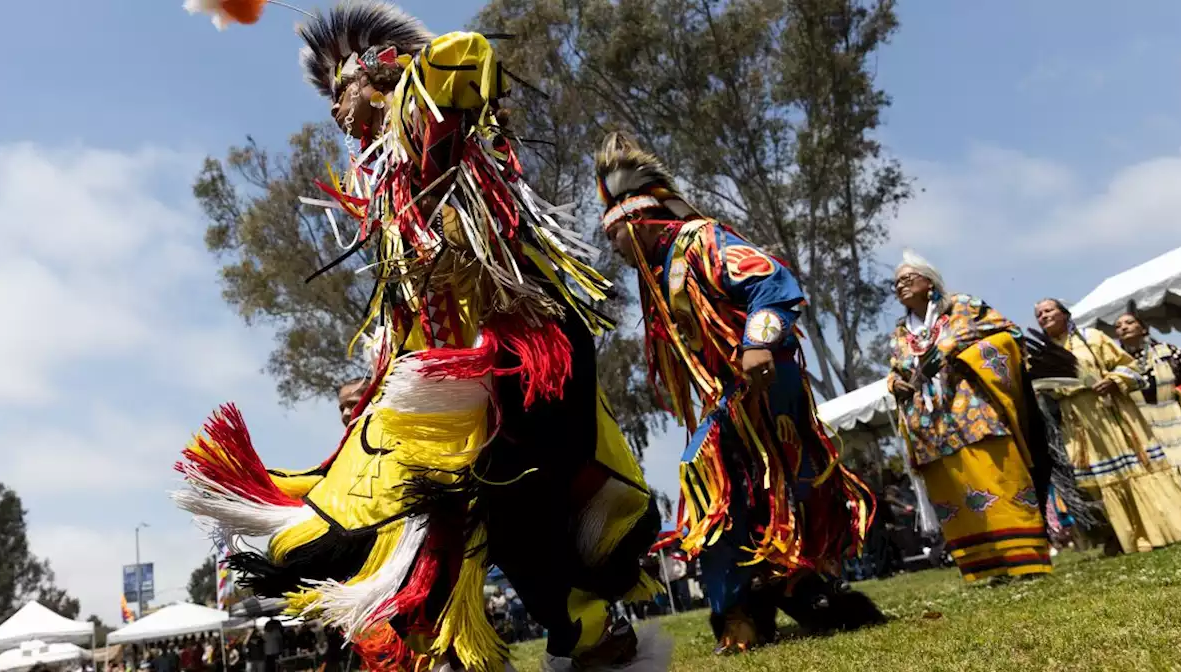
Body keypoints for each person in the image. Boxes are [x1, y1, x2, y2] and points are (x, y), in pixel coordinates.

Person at [173, 2, 663, 671]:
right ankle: (471, 653)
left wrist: (393, 74)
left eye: (339, 94)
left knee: (518, 507)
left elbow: (466, 55)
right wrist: (372, 386)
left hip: (526, 357)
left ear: (380, 75)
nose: (335, 115)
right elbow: (408, 317)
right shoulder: (392, 199)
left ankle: (589, 636)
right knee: (407, 517)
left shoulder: (440, 131)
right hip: (452, 385)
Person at [593, 131, 882, 654]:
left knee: (718, 474)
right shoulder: (658, 276)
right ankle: (785, 594)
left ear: (639, 223)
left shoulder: (699, 240)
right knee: (748, 487)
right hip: (730, 393)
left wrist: (758, 341)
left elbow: (771, 278)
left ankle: (760, 601)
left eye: (614, 235)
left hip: (762, 379)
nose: (613, 248)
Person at [886, 253, 1069, 584]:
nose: (900, 285)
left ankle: (1025, 562)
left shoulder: (962, 307)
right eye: (896, 281)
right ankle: (989, 567)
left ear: (929, 282)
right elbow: (897, 366)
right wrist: (894, 382)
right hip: (930, 426)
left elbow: (1007, 335)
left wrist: (954, 347)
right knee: (957, 495)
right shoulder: (901, 330)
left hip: (972, 412)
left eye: (908, 278)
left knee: (996, 480)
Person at [1031, 298, 1181, 553]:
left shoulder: (1092, 338)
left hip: (1113, 411)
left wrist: (1113, 380)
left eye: (1049, 310)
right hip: (1079, 420)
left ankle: (1170, 527)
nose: (1043, 316)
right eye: (1038, 314)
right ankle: (1127, 539)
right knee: (1102, 479)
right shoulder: (1043, 353)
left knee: (1138, 467)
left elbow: (1130, 367)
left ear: (1065, 313)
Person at [1114, 309, 1181, 529]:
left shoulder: (1168, 352)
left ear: (1143, 328)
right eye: (1118, 326)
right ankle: (1179, 521)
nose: (1123, 327)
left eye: (1129, 322)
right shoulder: (1117, 364)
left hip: (1178, 420)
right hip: (1144, 426)